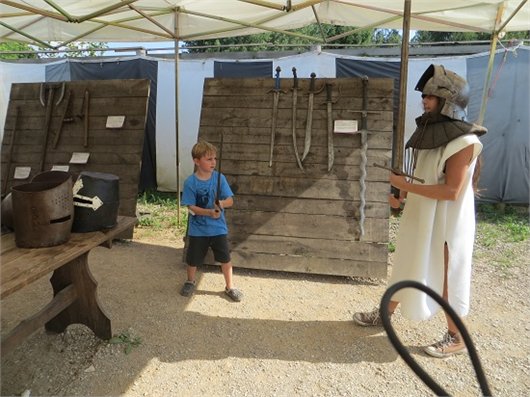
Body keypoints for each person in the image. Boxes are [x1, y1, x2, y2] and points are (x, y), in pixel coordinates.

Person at [353, 64, 487, 358]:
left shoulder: (465, 142)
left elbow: (451, 191)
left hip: (446, 223)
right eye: (424, 97)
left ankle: (457, 336)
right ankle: (383, 315)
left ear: (448, 101)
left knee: (445, 276)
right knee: (407, 263)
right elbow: (424, 177)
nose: (424, 102)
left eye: (430, 97)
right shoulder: (431, 133)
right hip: (421, 215)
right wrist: (401, 196)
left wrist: (405, 186)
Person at [180, 139, 243, 302]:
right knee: (193, 258)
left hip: (218, 229)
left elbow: (230, 200)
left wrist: (221, 203)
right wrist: (208, 212)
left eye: (214, 158)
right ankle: (190, 281)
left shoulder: (219, 178)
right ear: (196, 161)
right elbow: (191, 207)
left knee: (225, 258)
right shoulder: (190, 182)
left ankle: (230, 287)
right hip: (197, 229)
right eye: (209, 159)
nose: (213, 162)